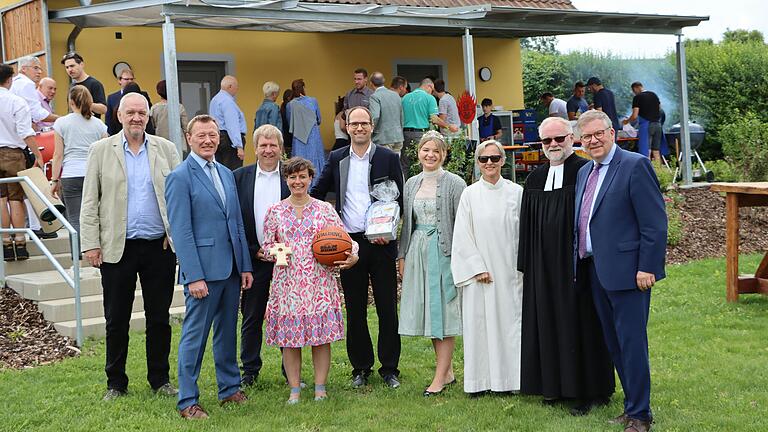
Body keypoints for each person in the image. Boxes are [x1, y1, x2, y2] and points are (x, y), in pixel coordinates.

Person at [80, 92, 180, 401]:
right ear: (119, 115)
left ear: (148, 117)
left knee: (160, 318)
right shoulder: (100, 150)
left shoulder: (166, 149)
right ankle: (116, 383)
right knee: (116, 318)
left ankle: (160, 378)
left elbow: (178, 197)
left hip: (158, 247)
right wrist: (91, 244)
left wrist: (174, 233)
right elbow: (89, 201)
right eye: (131, 112)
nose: (136, 117)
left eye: (142, 113)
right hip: (116, 248)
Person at [574, 110, 667, 432]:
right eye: (586, 137)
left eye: (598, 133)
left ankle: (641, 415)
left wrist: (647, 267)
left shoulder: (634, 165)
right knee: (614, 344)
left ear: (611, 133)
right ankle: (631, 407)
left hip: (630, 274)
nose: (593, 140)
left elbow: (654, 224)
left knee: (632, 343)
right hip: (596, 270)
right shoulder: (586, 171)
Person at [517, 117, 615, 415]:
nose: (554, 145)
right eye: (547, 141)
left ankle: (591, 390)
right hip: (543, 268)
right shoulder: (534, 178)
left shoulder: (585, 172)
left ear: (571, 138)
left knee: (583, 325)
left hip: (578, 265)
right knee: (547, 322)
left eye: (559, 139)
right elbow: (527, 225)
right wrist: (527, 264)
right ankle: (554, 387)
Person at [165, 114, 254, 419]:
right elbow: (181, 231)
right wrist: (194, 276)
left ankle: (229, 389)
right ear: (189, 139)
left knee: (227, 332)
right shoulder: (180, 176)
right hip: (202, 273)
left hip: (230, 270)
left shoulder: (227, 174)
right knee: (195, 337)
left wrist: (244, 266)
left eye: (212, 135)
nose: (208, 140)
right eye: (201, 135)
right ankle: (187, 400)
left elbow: (236, 223)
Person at [311, 106, 404, 389]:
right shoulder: (337, 157)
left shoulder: (388, 157)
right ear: (347, 127)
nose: (360, 128)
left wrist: (387, 229)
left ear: (372, 126)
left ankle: (390, 369)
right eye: (354, 124)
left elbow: (398, 199)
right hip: (348, 245)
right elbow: (317, 192)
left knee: (388, 307)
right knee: (354, 308)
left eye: (364, 123)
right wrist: (327, 216)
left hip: (381, 243)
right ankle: (360, 368)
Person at [262, 157, 359, 403]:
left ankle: (320, 387)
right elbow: (266, 246)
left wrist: (352, 255)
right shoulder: (275, 211)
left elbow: (345, 239)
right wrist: (277, 251)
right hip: (288, 282)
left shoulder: (324, 209)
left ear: (310, 178)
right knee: (290, 340)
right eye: (293, 177)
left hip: (319, 281)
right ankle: (294, 389)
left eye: (302, 176)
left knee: (320, 338)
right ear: (286, 180)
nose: (298, 181)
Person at [451, 139, 523, 395]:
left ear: (503, 160)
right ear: (478, 163)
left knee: (511, 326)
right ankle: (479, 382)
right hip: (480, 275)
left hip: (511, 273)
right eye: (484, 159)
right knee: (480, 327)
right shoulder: (470, 195)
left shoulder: (517, 193)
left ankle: (512, 381)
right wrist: (476, 267)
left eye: (494, 158)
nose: (489, 163)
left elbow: (525, 235)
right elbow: (462, 235)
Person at [398, 131, 465, 396]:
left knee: (444, 313)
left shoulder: (455, 183)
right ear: (419, 154)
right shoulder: (411, 183)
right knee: (430, 312)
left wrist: (460, 258)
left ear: (444, 154)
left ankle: (438, 378)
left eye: (436, 151)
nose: (430, 155)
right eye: (426, 150)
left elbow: (462, 223)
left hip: (444, 251)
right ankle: (446, 371)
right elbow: (406, 225)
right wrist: (402, 255)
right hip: (418, 250)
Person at [232, 124, 290, 387]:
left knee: (286, 314)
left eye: (273, 145)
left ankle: (290, 368)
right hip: (253, 259)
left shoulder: (291, 177)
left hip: (285, 260)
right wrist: (255, 249)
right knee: (252, 315)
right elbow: (235, 220)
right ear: (255, 149)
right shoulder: (239, 177)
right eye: (263, 145)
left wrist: (281, 250)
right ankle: (250, 370)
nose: (268, 150)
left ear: (280, 148)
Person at [50, 85, 108, 236]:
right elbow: (105, 153)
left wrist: (54, 180)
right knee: (95, 216)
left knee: (75, 218)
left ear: (71, 102)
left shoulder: (61, 123)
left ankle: (78, 255)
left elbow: (58, 155)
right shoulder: (99, 125)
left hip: (71, 174)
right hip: (93, 174)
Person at [0, 64, 43, 262]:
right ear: (9, 80)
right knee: (15, 198)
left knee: (0, 199)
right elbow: (25, 132)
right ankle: (20, 241)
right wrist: (38, 155)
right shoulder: (16, 101)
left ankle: (6, 241)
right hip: (13, 153)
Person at [401, 78, 457, 177]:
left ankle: (404, 189)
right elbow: (434, 119)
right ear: (429, 86)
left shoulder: (405, 97)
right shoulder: (429, 98)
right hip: (420, 134)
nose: (432, 93)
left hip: (405, 134)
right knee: (422, 163)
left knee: (405, 164)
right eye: (432, 90)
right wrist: (448, 126)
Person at [286, 79, 324, 188]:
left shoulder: (290, 105)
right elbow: (319, 119)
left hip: (298, 139)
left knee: (299, 164)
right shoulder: (313, 101)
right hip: (313, 137)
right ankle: (316, 187)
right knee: (315, 163)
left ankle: (300, 186)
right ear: (303, 88)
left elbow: (290, 122)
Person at [209, 75, 247, 170]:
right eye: (236, 86)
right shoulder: (228, 101)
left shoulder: (215, 100)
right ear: (230, 86)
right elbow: (232, 125)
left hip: (218, 137)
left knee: (220, 170)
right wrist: (238, 146)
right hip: (229, 140)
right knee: (233, 172)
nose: (237, 89)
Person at [11, 56, 58, 128]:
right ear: (23, 68)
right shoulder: (26, 83)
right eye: (35, 68)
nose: (40, 72)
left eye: (40, 69)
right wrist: (61, 119)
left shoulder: (14, 82)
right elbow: (37, 114)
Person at [623, 82, 662, 161]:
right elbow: (660, 109)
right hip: (658, 125)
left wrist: (626, 121)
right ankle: (659, 172)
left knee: (646, 151)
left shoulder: (637, 97)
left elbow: (634, 116)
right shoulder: (653, 95)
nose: (634, 93)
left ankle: (646, 172)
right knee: (656, 151)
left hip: (647, 126)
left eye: (633, 91)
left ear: (636, 88)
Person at [149, 80, 189, 155]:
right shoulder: (179, 107)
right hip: (178, 145)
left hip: (160, 145)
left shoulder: (154, 108)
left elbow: (152, 127)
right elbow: (186, 127)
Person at [61, 52, 107, 117]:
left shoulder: (94, 84)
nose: (70, 70)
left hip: (90, 125)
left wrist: (86, 104)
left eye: (72, 66)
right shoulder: (71, 86)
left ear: (81, 64)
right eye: (67, 67)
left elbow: (103, 109)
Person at [369, 72, 404, 154]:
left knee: (384, 165)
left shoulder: (375, 96)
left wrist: (370, 132)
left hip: (383, 138)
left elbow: (375, 117)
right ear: (384, 81)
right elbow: (402, 117)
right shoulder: (396, 95)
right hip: (398, 137)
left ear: (371, 83)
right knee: (395, 164)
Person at [586, 77, 620, 142]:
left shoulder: (597, 95)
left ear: (594, 85)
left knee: (605, 147)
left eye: (589, 87)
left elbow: (599, 113)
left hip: (605, 125)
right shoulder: (610, 93)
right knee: (613, 146)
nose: (589, 89)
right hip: (615, 124)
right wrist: (594, 105)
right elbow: (607, 105)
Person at [105, 68, 135, 135]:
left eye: (132, 79)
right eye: (126, 79)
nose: (130, 81)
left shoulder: (141, 96)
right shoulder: (112, 98)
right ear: (119, 80)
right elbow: (109, 121)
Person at [280, 89, 293, 157]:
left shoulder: (281, 108)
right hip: (289, 140)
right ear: (289, 98)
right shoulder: (288, 109)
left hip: (285, 140)